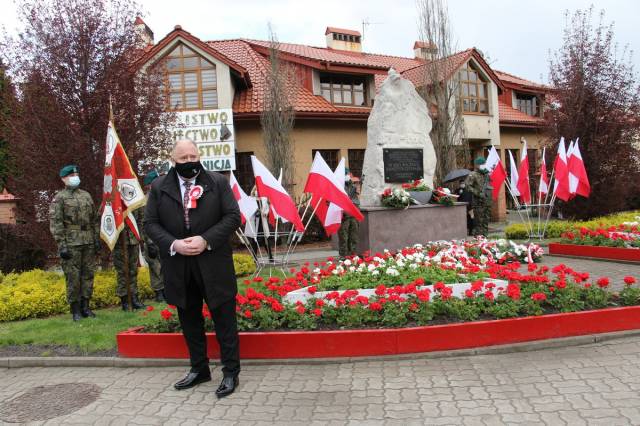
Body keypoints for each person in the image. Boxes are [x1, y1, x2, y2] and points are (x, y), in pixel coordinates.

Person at [144, 139, 241, 398]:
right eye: (183, 158)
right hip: (179, 265)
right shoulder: (159, 187)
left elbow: (233, 216)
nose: (189, 161)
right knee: (189, 321)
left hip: (213, 263)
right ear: (173, 160)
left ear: (199, 156)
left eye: (193, 156)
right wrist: (174, 244)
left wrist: (205, 239)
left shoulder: (217, 182)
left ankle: (231, 372)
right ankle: (199, 369)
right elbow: (150, 223)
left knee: (224, 320)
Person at [49, 165, 100, 321]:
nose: (75, 177)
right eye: (71, 175)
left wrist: (96, 239)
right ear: (64, 178)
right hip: (71, 242)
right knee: (73, 277)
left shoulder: (86, 195)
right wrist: (62, 245)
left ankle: (86, 307)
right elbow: (56, 223)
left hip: (88, 240)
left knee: (88, 275)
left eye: (77, 174)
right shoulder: (60, 198)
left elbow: (94, 219)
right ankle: (75, 310)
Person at [113, 207, 146, 311]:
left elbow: (140, 221)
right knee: (123, 272)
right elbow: (105, 218)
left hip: (133, 240)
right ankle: (125, 300)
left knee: (133, 271)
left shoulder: (133, 199)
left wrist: (141, 239)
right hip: (119, 242)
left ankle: (134, 298)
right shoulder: (112, 198)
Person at [141, 170, 165, 302]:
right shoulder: (144, 201)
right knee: (155, 267)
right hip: (151, 239)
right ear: (149, 185)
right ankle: (158, 292)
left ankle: (166, 289)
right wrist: (149, 242)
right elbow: (144, 223)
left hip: (164, 237)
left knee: (166, 265)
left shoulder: (163, 197)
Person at [465, 157, 492, 236]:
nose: (483, 165)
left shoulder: (486, 174)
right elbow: (467, 186)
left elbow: (489, 185)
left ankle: (485, 237)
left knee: (486, 221)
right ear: (477, 165)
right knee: (478, 222)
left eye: (484, 164)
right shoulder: (472, 175)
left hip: (487, 201)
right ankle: (479, 239)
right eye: (482, 164)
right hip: (478, 202)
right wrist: (477, 193)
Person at [338, 168, 360, 258]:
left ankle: (352, 254)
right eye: (346, 174)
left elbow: (356, 200)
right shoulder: (338, 187)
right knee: (344, 237)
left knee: (354, 236)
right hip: (344, 217)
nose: (348, 176)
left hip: (353, 215)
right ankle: (343, 255)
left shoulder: (353, 186)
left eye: (348, 174)